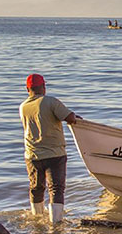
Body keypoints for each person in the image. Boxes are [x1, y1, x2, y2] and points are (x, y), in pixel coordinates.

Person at [20, 74, 81, 224]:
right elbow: (70, 118)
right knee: (56, 189)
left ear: (28, 89)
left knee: (36, 188)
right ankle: (56, 223)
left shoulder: (23, 107)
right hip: (55, 154)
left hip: (32, 155)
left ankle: (37, 220)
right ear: (43, 87)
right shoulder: (50, 102)